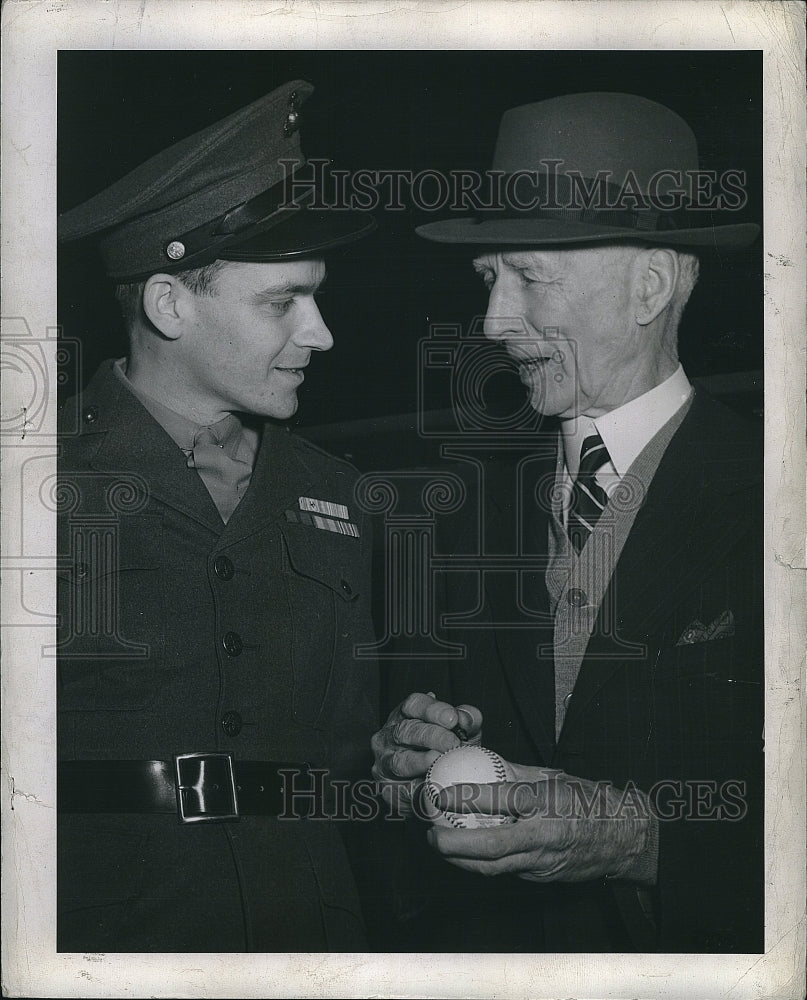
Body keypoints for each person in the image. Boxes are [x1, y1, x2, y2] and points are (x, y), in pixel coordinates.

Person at [371, 92, 763, 952]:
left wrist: (645, 842)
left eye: (530, 278)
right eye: (487, 279)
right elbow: (400, 804)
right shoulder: (449, 516)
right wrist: (405, 771)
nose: (493, 322)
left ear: (649, 287)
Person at [56, 80, 379, 952]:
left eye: (314, 297)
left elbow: (349, 748)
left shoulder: (339, 493)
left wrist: (408, 749)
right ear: (169, 305)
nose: (320, 333)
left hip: (309, 932)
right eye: (281, 302)